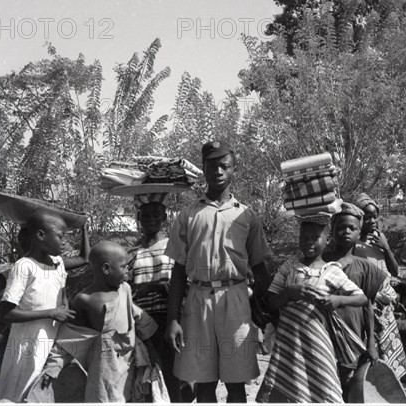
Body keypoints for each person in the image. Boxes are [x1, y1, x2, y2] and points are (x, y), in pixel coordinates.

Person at [164, 140, 272, 403]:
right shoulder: (188, 215)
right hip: (198, 299)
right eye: (212, 166)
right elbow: (178, 270)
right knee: (204, 384)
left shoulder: (246, 216)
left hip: (235, 299)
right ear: (203, 169)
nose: (218, 172)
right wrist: (172, 318)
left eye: (225, 166)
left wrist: (271, 313)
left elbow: (260, 268)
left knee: (236, 383)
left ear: (234, 169)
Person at [257, 214, 368, 403]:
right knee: (287, 387)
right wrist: (290, 292)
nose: (308, 242)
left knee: (324, 387)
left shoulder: (331, 271)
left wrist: (337, 300)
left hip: (318, 343)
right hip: (288, 342)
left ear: (327, 240)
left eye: (315, 238)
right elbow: (271, 303)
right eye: (304, 238)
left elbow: (362, 298)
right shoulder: (289, 267)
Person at [38, 241, 167, 402]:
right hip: (103, 373)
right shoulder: (84, 300)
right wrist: (54, 366)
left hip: (129, 369)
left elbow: (138, 318)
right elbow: (68, 338)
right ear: (106, 269)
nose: (128, 272)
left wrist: (152, 353)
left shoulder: (125, 290)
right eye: (124, 267)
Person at [0, 210, 77, 402]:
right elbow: (5, 314)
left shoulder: (57, 264)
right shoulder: (24, 267)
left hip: (51, 344)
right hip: (26, 347)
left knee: (43, 395)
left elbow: (62, 295)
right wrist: (50, 313)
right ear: (41, 235)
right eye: (60, 236)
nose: (64, 242)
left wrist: (63, 307)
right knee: (19, 395)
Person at [0, 223, 89, 373]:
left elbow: (84, 258)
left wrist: (84, 229)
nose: (62, 243)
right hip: (22, 337)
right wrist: (41, 311)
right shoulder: (14, 273)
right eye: (57, 238)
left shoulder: (55, 266)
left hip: (47, 334)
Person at [128, 194, 191, 402]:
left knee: (171, 373)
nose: (150, 219)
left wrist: (154, 286)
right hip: (142, 320)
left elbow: (184, 282)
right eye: (145, 216)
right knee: (145, 372)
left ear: (164, 217)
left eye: (156, 215)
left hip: (169, 317)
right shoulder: (133, 253)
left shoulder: (174, 247)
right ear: (139, 217)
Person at [323, 202, 389, 399]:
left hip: (353, 336)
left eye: (352, 228)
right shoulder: (320, 262)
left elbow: (368, 306)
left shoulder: (365, 268)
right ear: (331, 231)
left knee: (350, 389)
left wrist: (371, 343)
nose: (346, 231)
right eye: (341, 227)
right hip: (324, 336)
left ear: (359, 232)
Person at [353, 193, 406, 379]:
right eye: (367, 217)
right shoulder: (353, 243)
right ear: (358, 219)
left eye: (374, 216)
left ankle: (388, 386)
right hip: (367, 302)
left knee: (387, 349)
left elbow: (395, 272)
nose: (372, 221)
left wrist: (386, 247)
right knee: (369, 347)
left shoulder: (380, 239)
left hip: (384, 304)